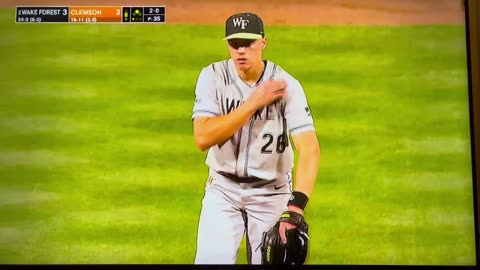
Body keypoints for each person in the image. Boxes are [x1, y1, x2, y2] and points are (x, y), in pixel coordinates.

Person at [191, 11, 320, 264]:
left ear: (263, 42)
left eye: (248, 43)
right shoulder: (213, 77)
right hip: (223, 191)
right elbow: (202, 137)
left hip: (272, 194)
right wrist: (254, 102)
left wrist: (295, 208)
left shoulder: (286, 85)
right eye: (234, 43)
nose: (241, 51)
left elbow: (309, 149)